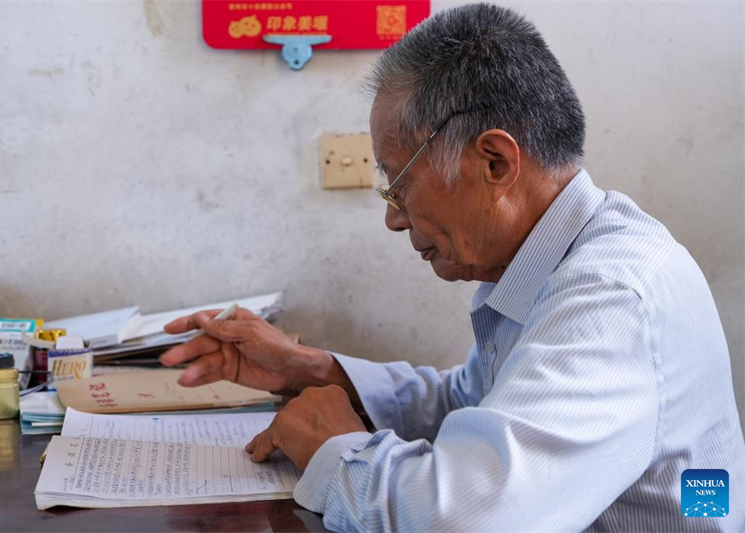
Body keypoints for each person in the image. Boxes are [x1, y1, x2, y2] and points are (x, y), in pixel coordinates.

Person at [161, 3, 745, 531]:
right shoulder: (552, 260)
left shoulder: (612, 297)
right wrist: (312, 370)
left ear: (494, 161)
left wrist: (338, 449)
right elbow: (470, 404)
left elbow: (469, 519)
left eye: (399, 186)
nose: (394, 220)